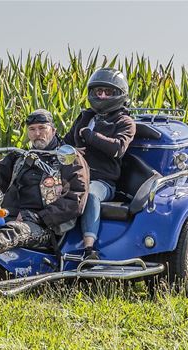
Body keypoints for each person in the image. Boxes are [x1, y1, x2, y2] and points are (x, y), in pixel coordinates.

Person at [0, 108, 90, 272]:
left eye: (42, 128)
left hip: (46, 226)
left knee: (17, 230)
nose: (37, 134)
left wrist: (38, 217)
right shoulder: (22, 156)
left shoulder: (68, 158)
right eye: (32, 129)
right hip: (9, 215)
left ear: (53, 130)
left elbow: (74, 200)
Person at [63, 68, 136, 261]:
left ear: (119, 94)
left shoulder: (125, 121)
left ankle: (89, 249)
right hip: (74, 174)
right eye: (98, 91)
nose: (102, 96)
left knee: (90, 194)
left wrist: (90, 136)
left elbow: (118, 148)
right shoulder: (85, 117)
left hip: (103, 181)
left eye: (108, 92)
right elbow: (66, 143)